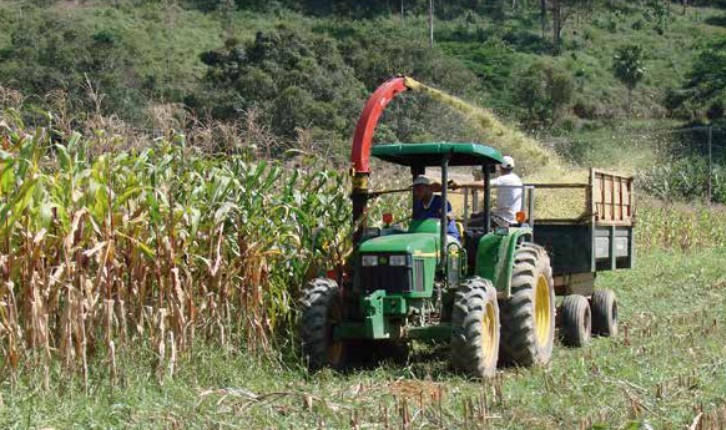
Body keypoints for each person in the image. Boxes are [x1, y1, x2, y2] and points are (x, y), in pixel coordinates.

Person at [411, 175, 461, 241]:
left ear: (429, 188)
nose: (416, 193)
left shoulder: (441, 202)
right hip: (426, 238)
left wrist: (447, 216)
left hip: (447, 238)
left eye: (419, 189)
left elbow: (448, 217)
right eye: (415, 190)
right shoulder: (418, 205)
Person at [489, 155, 523, 225]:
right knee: (477, 215)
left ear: (500, 167)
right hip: (510, 217)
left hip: (503, 219)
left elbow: (485, 183)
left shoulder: (504, 179)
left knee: (472, 223)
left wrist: (462, 183)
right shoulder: (516, 178)